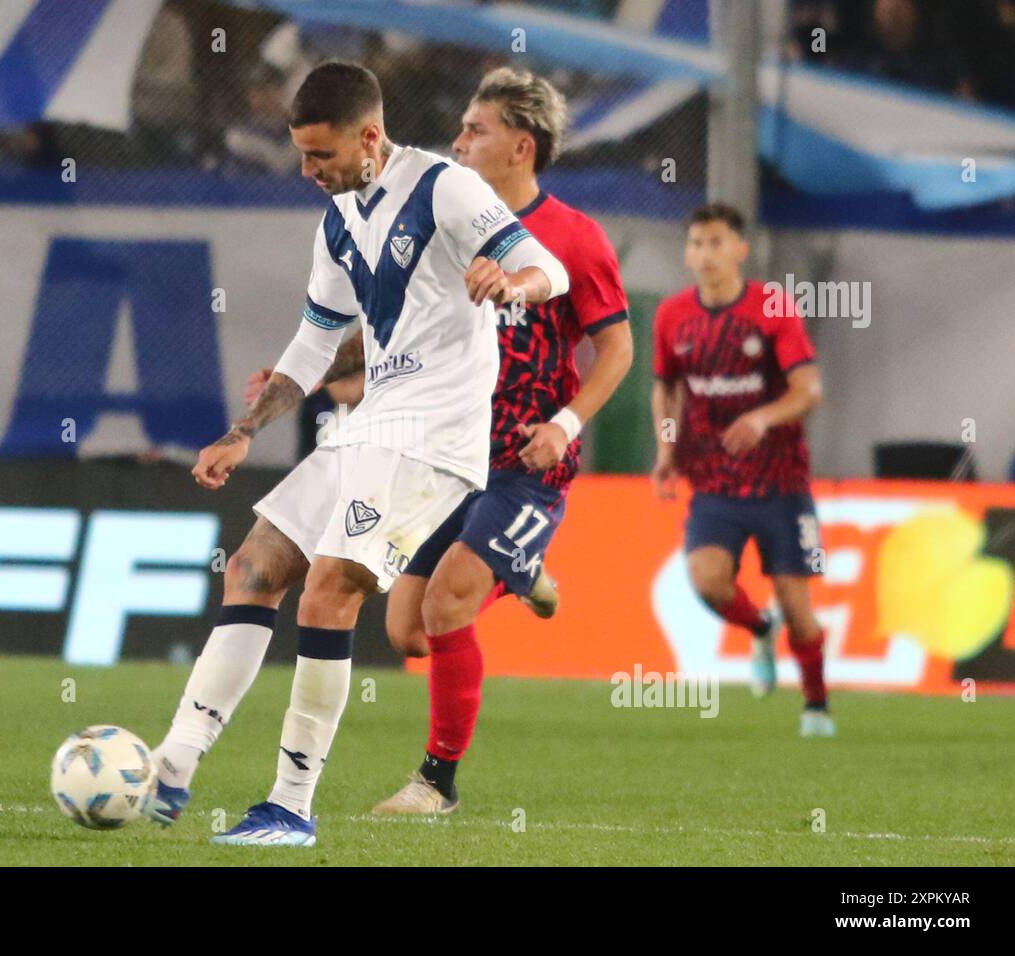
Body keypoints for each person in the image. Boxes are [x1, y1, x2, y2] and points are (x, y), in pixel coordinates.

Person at [141, 61, 569, 847]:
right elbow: (313, 345)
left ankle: (290, 807)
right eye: (301, 155)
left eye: (321, 155)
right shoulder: (338, 220)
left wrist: (512, 283)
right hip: (371, 425)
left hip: (434, 439)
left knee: (327, 594)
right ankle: (174, 763)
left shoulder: (442, 186)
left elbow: (553, 267)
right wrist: (245, 430)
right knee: (253, 567)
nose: (308, 171)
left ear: (371, 137)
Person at [370, 67, 633, 813]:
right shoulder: (443, 230)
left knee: (449, 603)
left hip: (527, 465)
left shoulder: (575, 240)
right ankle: (521, 573)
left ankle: (436, 785)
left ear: (522, 147)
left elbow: (617, 351)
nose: (456, 143)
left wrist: (563, 425)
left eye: (474, 131)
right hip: (452, 457)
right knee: (407, 632)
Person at [650, 203, 833, 737]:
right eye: (696, 243)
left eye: (716, 242)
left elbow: (810, 391)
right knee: (707, 582)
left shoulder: (771, 307)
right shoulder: (671, 316)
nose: (705, 254)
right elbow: (665, 386)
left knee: (800, 609)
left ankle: (817, 706)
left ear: (739, 249)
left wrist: (762, 416)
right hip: (715, 482)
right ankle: (758, 626)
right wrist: (666, 450)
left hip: (781, 484)